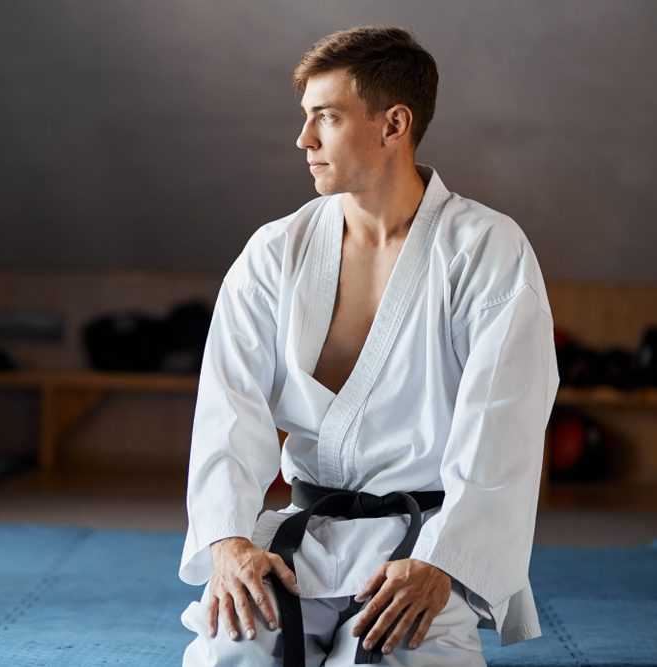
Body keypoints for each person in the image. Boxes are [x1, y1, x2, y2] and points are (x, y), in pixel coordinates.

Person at [178, 25, 559, 667]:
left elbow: (506, 424)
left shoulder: (485, 251)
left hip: (419, 548)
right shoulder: (275, 253)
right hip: (299, 544)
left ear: (393, 124)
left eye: (325, 117)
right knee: (227, 655)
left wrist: (441, 562)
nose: (303, 140)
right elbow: (227, 408)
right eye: (305, 118)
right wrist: (228, 541)